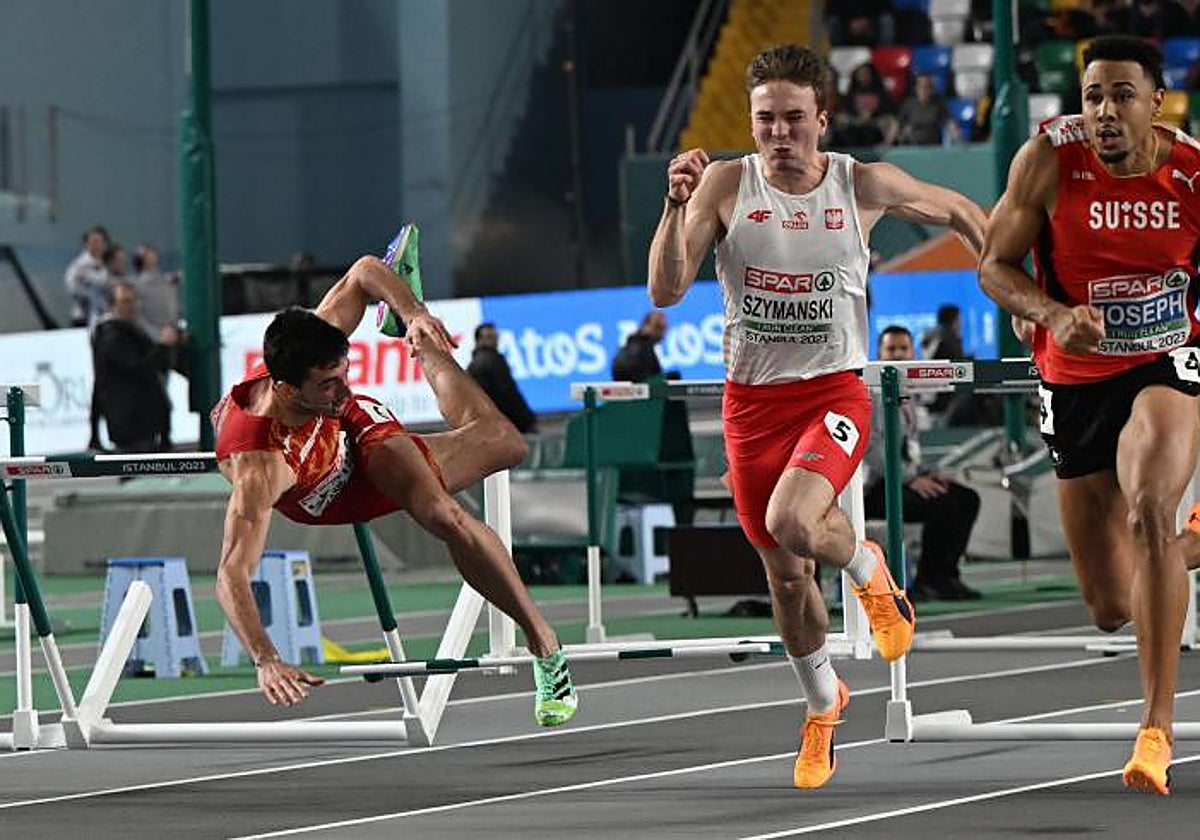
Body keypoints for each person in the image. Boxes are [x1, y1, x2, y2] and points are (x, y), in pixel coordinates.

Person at [648, 43, 986, 789]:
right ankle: (824, 703)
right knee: (787, 577)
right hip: (751, 404)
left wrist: (1010, 283)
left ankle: (866, 567)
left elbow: (960, 209)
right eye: (765, 119)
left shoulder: (860, 184)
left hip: (832, 392)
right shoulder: (726, 186)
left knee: (798, 522)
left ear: (821, 120)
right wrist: (674, 207)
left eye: (794, 119)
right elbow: (667, 290)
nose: (778, 133)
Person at [210, 225, 577, 727]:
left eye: (345, 373)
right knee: (501, 440)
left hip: (359, 438)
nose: (342, 387)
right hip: (328, 495)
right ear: (286, 389)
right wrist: (266, 657)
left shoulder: (316, 365)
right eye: (327, 383)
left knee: (444, 513)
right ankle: (426, 352)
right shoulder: (261, 463)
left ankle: (545, 646)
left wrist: (415, 314)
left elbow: (363, 271)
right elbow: (231, 573)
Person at [978, 35, 1200, 795]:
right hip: (1072, 376)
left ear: (1156, 102)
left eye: (1120, 95)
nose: (1104, 111)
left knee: (1149, 509)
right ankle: (1188, 547)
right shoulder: (1046, 159)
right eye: (1092, 95)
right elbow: (993, 267)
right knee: (1109, 603)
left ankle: (1156, 728)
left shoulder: (1193, 176)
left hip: (1165, 363)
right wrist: (1048, 311)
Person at [863, 326, 982, 601]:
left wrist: (928, 473)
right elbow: (872, 449)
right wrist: (908, 479)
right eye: (891, 349)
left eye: (903, 349)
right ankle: (930, 579)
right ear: (879, 353)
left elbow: (908, 447)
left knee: (965, 498)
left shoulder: (909, 392)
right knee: (944, 504)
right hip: (875, 488)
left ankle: (942, 576)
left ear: (912, 352)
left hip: (901, 478)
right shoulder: (872, 393)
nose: (897, 355)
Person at [91, 281, 179, 452]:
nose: (132, 307)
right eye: (125, 302)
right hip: (131, 422)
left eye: (133, 301)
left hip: (142, 420)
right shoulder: (112, 336)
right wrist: (162, 346)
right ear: (112, 305)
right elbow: (138, 367)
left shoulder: (131, 330)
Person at [467, 322, 537, 434]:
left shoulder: (475, 364)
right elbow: (508, 395)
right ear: (479, 340)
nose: (495, 341)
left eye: (495, 337)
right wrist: (525, 420)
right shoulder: (492, 362)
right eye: (490, 337)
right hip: (504, 424)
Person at [64, 225, 110, 328]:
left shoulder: (108, 264)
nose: (96, 245)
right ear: (86, 244)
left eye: (99, 242)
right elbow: (73, 287)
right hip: (85, 317)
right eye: (92, 242)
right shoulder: (79, 265)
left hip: (104, 316)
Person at [611, 311, 667, 382]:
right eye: (658, 327)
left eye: (664, 328)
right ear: (646, 326)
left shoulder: (633, 345)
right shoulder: (643, 348)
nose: (662, 333)